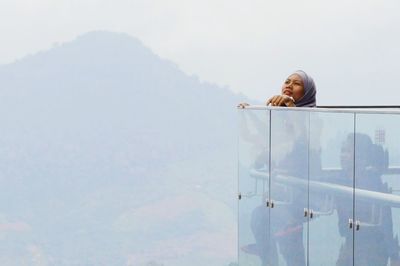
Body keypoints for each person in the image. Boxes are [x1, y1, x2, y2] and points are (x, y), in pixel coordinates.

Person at [240, 70, 318, 266]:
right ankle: (266, 251)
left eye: (296, 83)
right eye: (287, 81)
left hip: (299, 199)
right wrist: (246, 116)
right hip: (281, 198)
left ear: (307, 92)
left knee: (292, 253)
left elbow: (303, 143)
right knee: (258, 217)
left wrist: (291, 107)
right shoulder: (282, 119)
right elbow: (260, 141)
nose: (289, 85)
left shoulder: (313, 120)